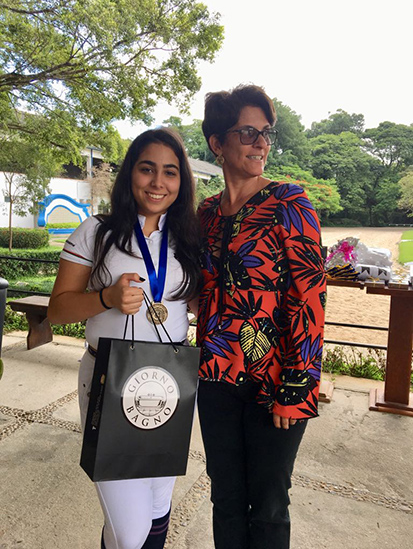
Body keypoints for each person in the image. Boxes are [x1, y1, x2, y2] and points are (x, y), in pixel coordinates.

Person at [48, 128, 200, 549]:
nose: (158, 182)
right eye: (147, 169)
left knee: (157, 510)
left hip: (170, 383)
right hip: (110, 380)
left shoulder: (188, 239)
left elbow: (196, 302)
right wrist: (106, 298)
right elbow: (57, 310)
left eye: (170, 172)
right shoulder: (96, 232)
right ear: (130, 173)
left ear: (181, 182)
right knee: (130, 531)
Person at [196, 85, 326, 549]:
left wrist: (298, 385)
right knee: (225, 498)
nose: (261, 143)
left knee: (269, 504)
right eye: (248, 132)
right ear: (217, 142)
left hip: (275, 382)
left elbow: (310, 296)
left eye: (266, 133)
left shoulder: (290, 203)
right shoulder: (206, 214)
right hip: (215, 378)